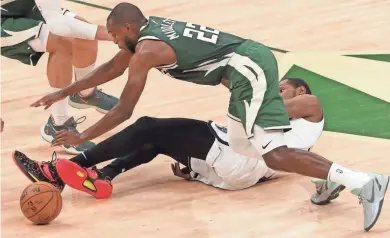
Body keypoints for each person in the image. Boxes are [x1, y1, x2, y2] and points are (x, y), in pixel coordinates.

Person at [28, 3, 388, 231]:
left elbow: (125, 108)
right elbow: (110, 67)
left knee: (270, 152)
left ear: (127, 30)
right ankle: (329, 178)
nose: (113, 41)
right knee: (244, 145)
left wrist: (80, 134)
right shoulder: (148, 33)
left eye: (115, 35)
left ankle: (364, 181)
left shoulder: (148, 50)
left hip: (248, 70)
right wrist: (63, 92)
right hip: (248, 67)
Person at [1, 0, 119, 154]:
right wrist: (113, 34)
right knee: (62, 42)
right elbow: (59, 27)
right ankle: (58, 123)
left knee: (82, 33)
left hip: (24, 7)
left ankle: (85, 93)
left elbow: (57, 19)